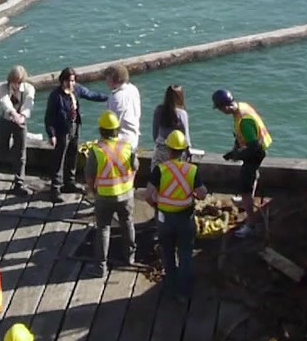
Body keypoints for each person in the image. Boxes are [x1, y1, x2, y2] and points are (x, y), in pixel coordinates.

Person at [142, 128, 208, 301]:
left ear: (168, 149)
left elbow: (148, 195)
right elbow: (202, 194)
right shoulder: (192, 170)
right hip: (185, 218)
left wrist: (157, 206)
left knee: (167, 253)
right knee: (185, 254)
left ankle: (170, 287)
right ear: (184, 150)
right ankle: (184, 292)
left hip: (165, 219)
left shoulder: (160, 170)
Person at [79, 109, 136, 277]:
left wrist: (94, 191)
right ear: (117, 129)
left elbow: (89, 176)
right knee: (127, 223)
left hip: (104, 196)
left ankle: (100, 267)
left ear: (101, 130)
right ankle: (130, 257)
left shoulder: (96, 151)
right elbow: (135, 167)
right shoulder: (127, 147)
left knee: (103, 228)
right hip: (126, 194)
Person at [212, 89, 272, 238]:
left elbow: (254, 147)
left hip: (256, 152)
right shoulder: (242, 107)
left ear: (226, 106)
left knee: (244, 187)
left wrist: (237, 155)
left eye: (220, 108)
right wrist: (236, 148)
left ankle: (251, 225)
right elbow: (242, 135)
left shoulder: (244, 120)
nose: (221, 112)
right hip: (257, 148)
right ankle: (247, 198)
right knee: (250, 177)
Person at [42, 66, 107, 196]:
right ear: (62, 81)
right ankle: (55, 188)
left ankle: (69, 183)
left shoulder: (76, 89)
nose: (71, 84)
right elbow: (49, 117)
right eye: (68, 81)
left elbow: (91, 95)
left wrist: (109, 97)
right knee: (59, 158)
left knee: (73, 155)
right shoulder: (56, 96)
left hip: (75, 126)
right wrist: (51, 134)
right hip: (62, 130)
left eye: (73, 81)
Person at [0, 65, 35, 195]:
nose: (17, 85)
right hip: (5, 120)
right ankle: (13, 160)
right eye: (14, 82)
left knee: (21, 151)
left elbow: (29, 102)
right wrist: (13, 113)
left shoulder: (29, 88)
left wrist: (22, 116)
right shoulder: (3, 88)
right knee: (2, 147)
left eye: (19, 82)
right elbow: (5, 101)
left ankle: (19, 182)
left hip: (21, 121)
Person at [103, 64, 142, 151]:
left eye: (107, 78)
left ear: (112, 79)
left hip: (121, 141)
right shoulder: (133, 89)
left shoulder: (115, 97)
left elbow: (112, 122)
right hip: (133, 138)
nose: (106, 81)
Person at [151, 84, 190, 152]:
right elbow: (186, 137)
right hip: (176, 151)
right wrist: (188, 149)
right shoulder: (182, 114)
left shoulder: (159, 110)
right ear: (181, 97)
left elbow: (155, 134)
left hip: (160, 149)